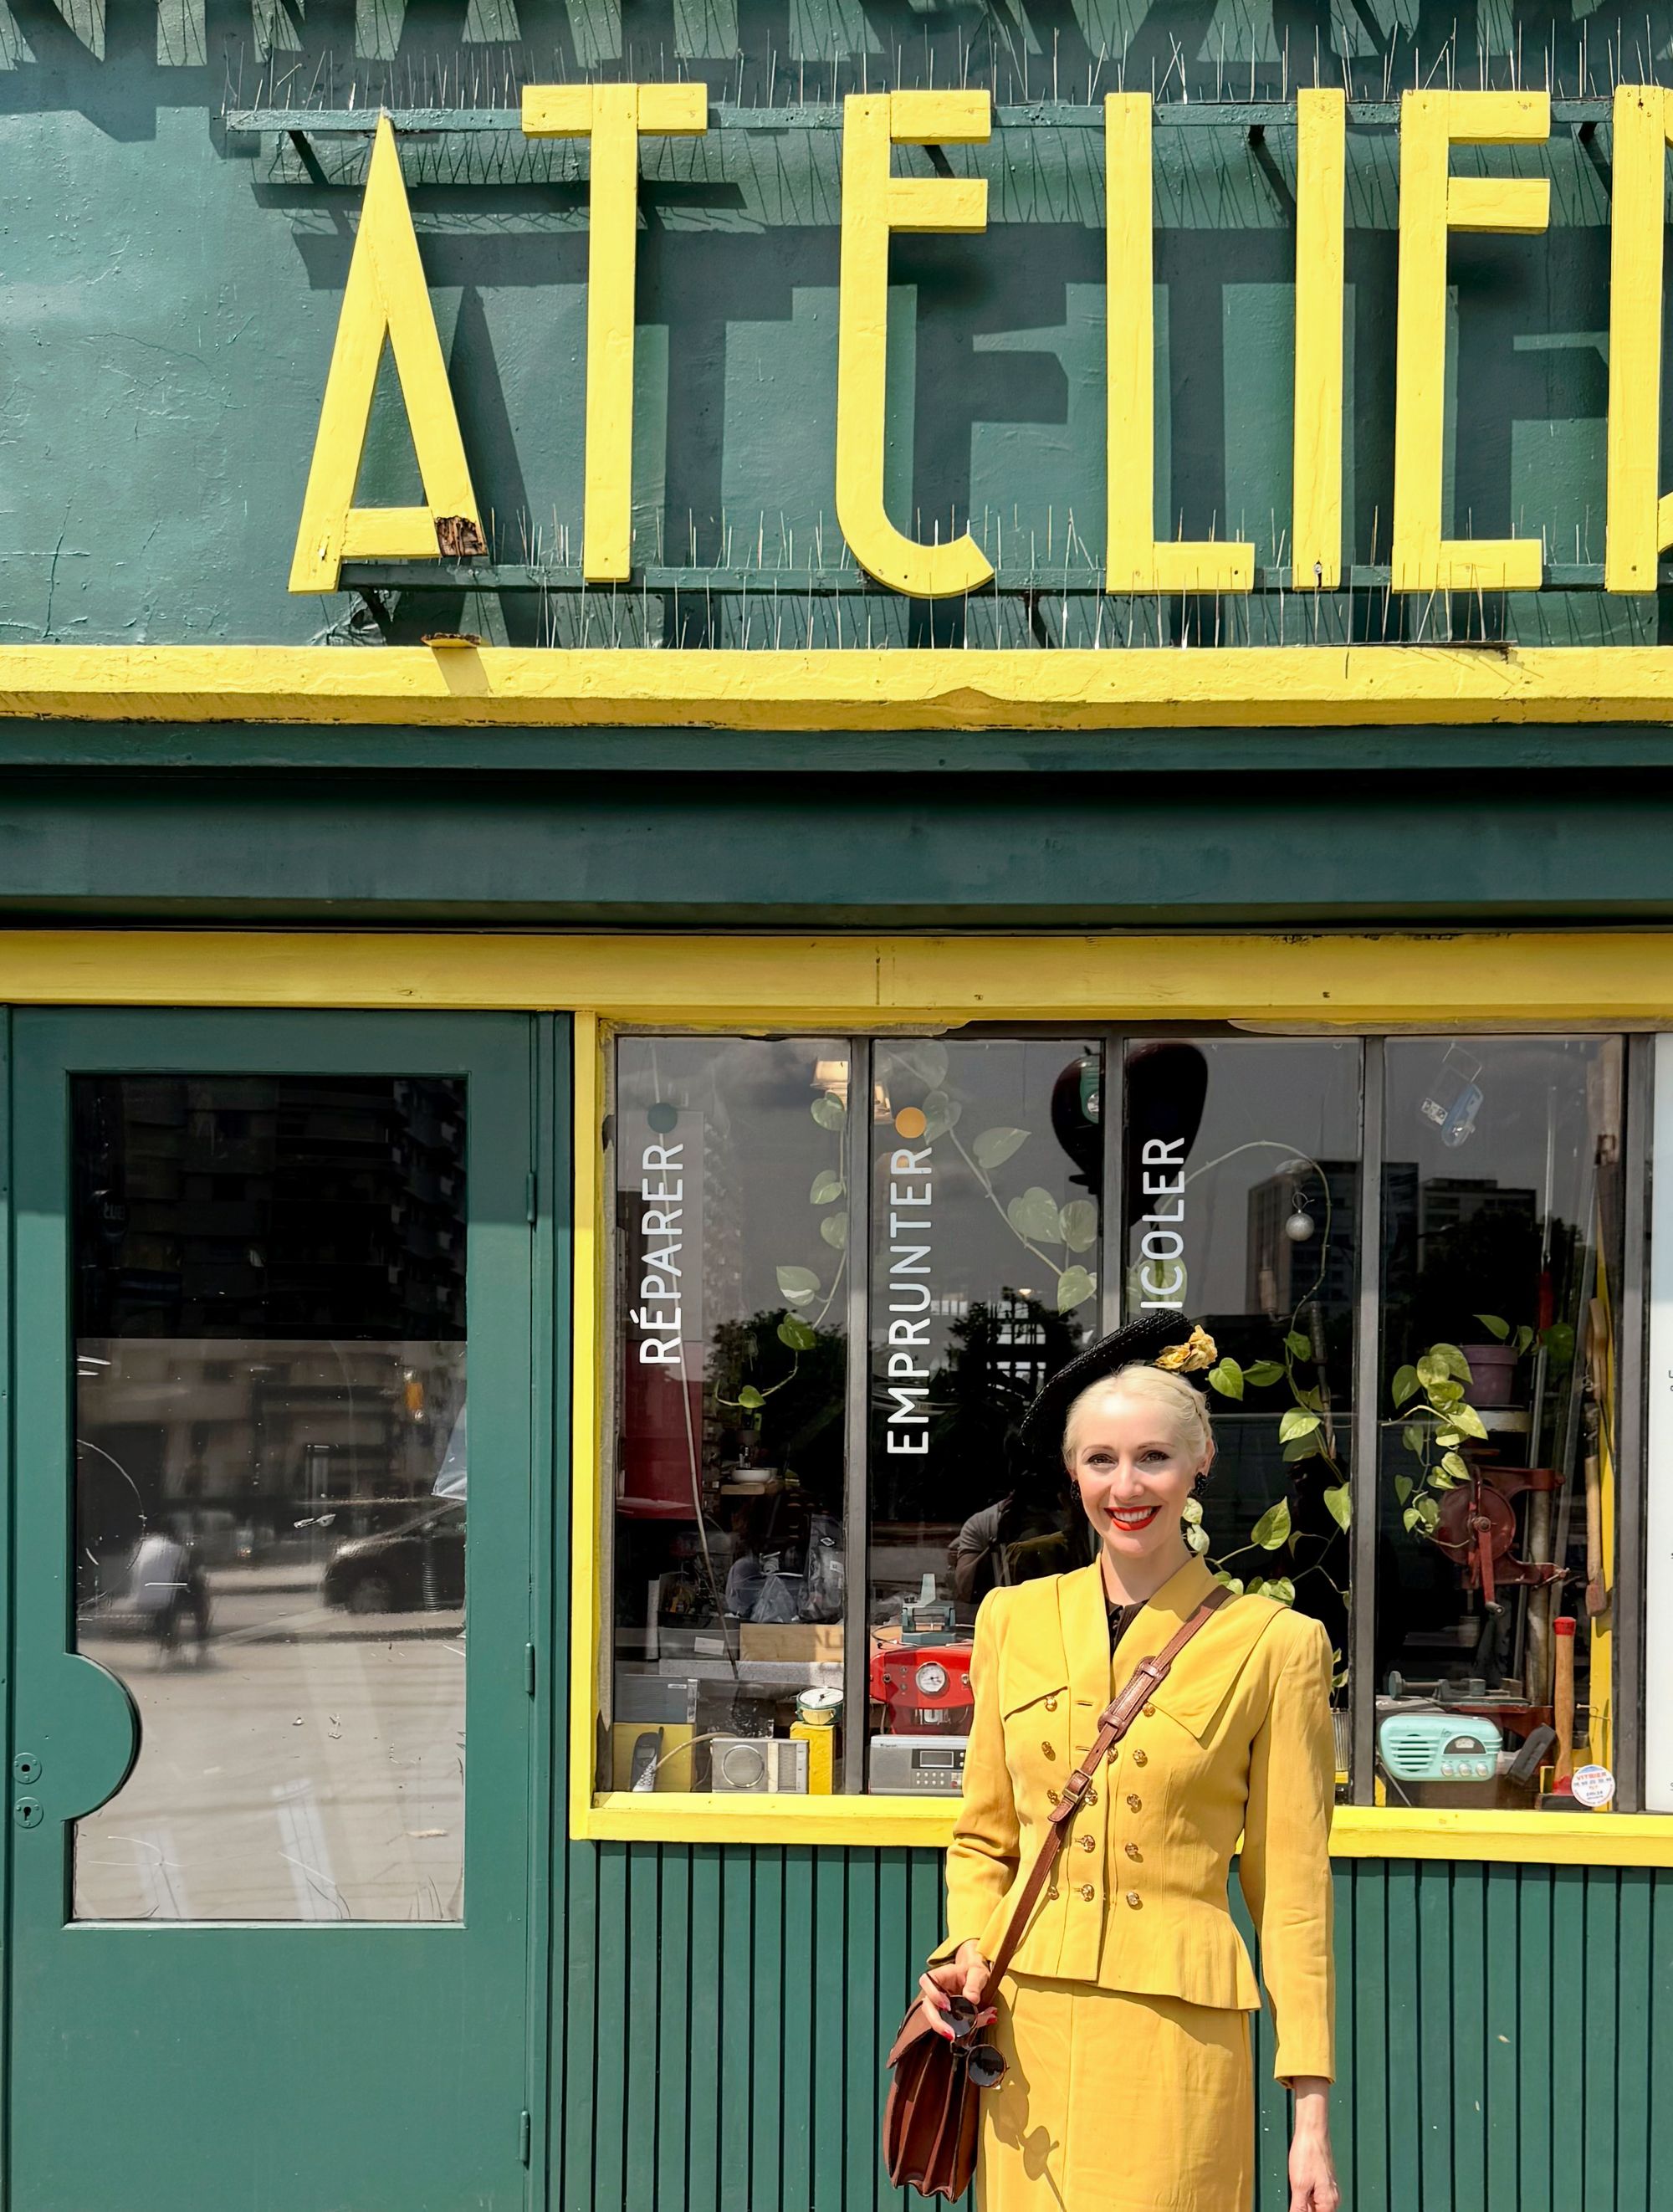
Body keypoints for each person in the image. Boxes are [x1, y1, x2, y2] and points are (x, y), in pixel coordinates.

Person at [916, 1313, 1339, 2212]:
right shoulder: (1011, 1619)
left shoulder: (1275, 1644)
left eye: (1152, 1457)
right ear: (1073, 1475)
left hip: (1176, 2042)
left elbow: (1292, 1896)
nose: (1126, 1484)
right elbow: (982, 1838)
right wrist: (964, 1948)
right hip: (1020, 2034)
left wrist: (1309, 2117)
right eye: (1100, 1460)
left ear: (1198, 1465)